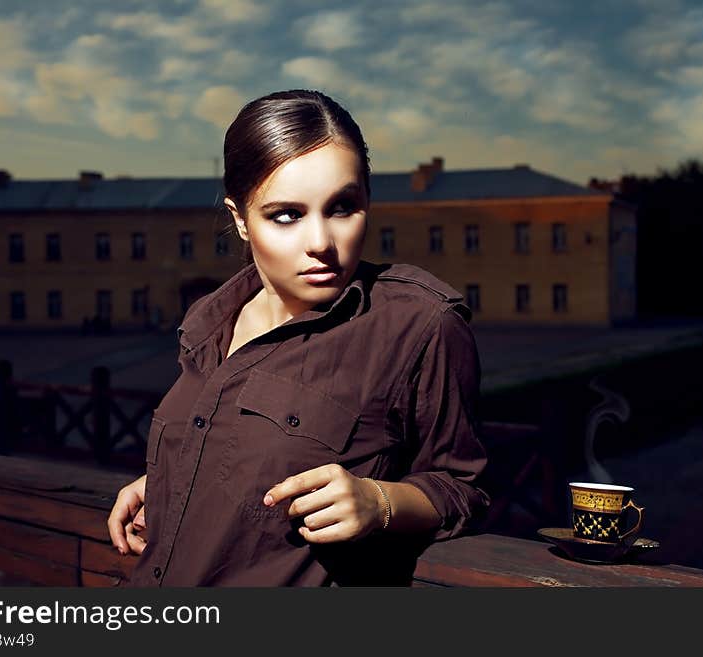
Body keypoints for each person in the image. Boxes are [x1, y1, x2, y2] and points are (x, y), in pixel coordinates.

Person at [108, 89, 491, 586]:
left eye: (342, 207)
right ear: (240, 220)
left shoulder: (419, 324)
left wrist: (379, 502)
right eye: (286, 214)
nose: (321, 244)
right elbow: (249, 449)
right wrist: (176, 480)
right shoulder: (210, 319)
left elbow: (464, 489)